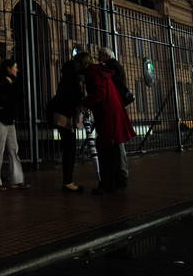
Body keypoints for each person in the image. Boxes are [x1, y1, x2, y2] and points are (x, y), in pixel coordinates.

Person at [84, 57, 136, 194]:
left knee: (106, 148)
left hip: (107, 114)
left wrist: (84, 103)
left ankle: (108, 183)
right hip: (112, 112)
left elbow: (99, 93)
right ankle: (116, 181)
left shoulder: (93, 73)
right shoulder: (102, 72)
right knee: (113, 147)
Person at [50, 53, 91, 193]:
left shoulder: (69, 74)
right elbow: (74, 97)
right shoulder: (73, 77)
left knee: (69, 148)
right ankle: (67, 182)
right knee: (70, 148)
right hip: (65, 115)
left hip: (63, 114)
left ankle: (68, 181)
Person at [0, 59, 29, 190]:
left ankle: (16, 179)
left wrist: (12, 84)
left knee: (13, 149)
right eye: (15, 67)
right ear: (8, 69)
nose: (17, 70)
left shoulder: (13, 81)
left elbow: (20, 96)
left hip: (9, 120)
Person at [98, 47, 131, 188]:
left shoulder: (111, 68)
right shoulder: (114, 66)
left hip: (114, 106)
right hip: (116, 106)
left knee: (117, 141)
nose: (98, 57)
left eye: (100, 55)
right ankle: (119, 173)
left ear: (106, 56)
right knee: (117, 140)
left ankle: (120, 174)